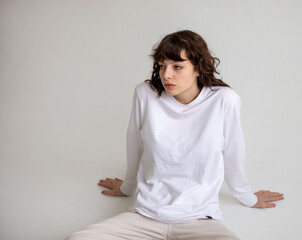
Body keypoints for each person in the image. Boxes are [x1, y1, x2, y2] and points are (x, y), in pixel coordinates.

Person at [65, 30, 284, 240]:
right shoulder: (145, 94)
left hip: (200, 219)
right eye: (162, 66)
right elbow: (135, 145)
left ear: (198, 68)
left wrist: (248, 197)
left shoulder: (224, 100)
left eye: (177, 66)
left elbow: (233, 155)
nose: (166, 75)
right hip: (145, 216)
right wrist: (127, 187)